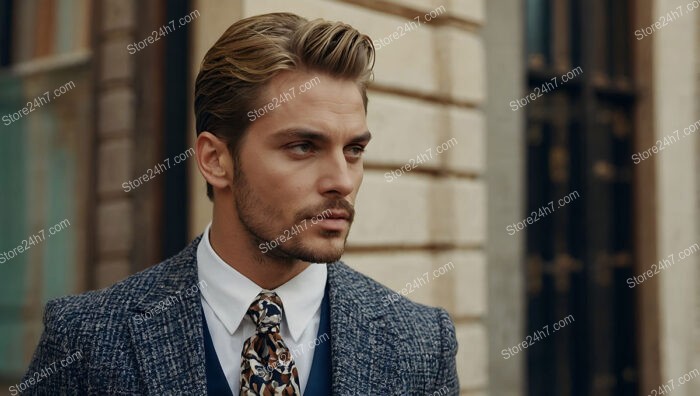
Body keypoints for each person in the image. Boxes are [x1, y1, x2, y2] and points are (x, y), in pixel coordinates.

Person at [22, 12, 459, 395]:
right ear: (216, 160)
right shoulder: (86, 340)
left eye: (354, 150)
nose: (342, 181)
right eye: (304, 147)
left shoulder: (420, 342)